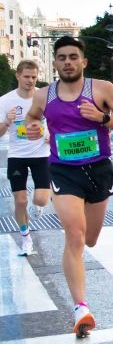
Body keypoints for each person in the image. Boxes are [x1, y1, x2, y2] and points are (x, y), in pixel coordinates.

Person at [24, 37, 113, 336]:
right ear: (55, 62)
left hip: (98, 170)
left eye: (73, 57)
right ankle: (81, 308)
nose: (68, 62)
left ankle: (81, 296)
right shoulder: (44, 96)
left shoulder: (102, 89)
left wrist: (102, 118)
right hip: (63, 171)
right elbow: (31, 120)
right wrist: (32, 128)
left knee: (90, 239)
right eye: (62, 57)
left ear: (83, 62)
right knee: (74, 234)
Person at [0, 59, 52, 256]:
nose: (30, 80)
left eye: (33, 77)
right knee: (20, 201)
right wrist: (6, 122)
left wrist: (50, 134)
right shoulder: (5, 101)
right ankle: (25, 237)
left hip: (41, 154)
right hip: (17, 156)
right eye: (26, 77)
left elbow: (56, 122)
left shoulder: (43, 97)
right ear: (18, 76)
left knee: (40, 200)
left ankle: (37, 205)